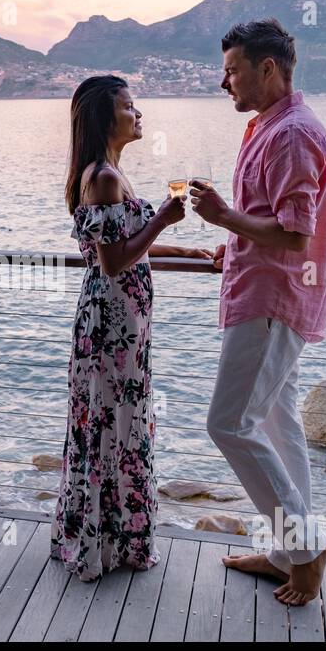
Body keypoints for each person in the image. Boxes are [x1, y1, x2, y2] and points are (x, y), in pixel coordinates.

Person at [190, 19, 326, 605]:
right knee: (279, 421)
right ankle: (286, 552)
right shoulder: (268, 128)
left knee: (227, 424)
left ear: (268, 69)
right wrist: (235, 238)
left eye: (232, 70)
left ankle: (305, 548)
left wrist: (227, 219)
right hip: (263, 288)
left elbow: (296, 234)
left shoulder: (292, 135)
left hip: (274, 299)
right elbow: (271, 217)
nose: (224, 82)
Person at [51, 74, 212, 582]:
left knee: (113, 421)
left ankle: (109, 535)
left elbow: (127, 239)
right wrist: (163, 221)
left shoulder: (110, 174)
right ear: (107, 116)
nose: (139, 115)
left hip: (123, 325)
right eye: (130, 106)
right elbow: (114, 259)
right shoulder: (102, 177)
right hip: (112, 325)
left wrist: (183, 248)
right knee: (113, 423)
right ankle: (108, 542)